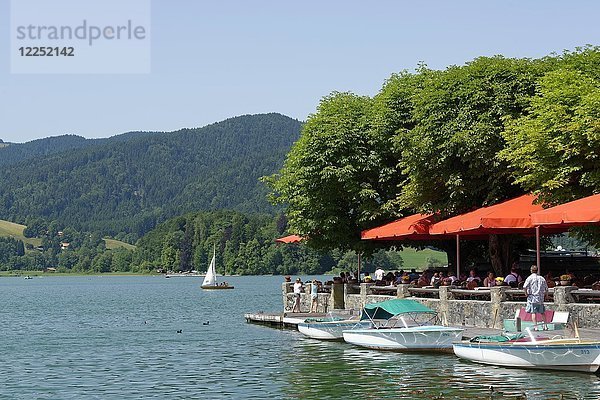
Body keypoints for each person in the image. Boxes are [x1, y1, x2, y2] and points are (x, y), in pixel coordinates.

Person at [523, 265, 548, 330]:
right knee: (542, 313)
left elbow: (524, 287)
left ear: (531, 270)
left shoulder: (529, 278)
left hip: (532, 298)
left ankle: (536, 327)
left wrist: (526, 294)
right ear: (537, 270)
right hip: (540, 298)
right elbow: (546, 288)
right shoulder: (542, 278)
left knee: (533, 312)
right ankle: (545, 326)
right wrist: (546, 295)